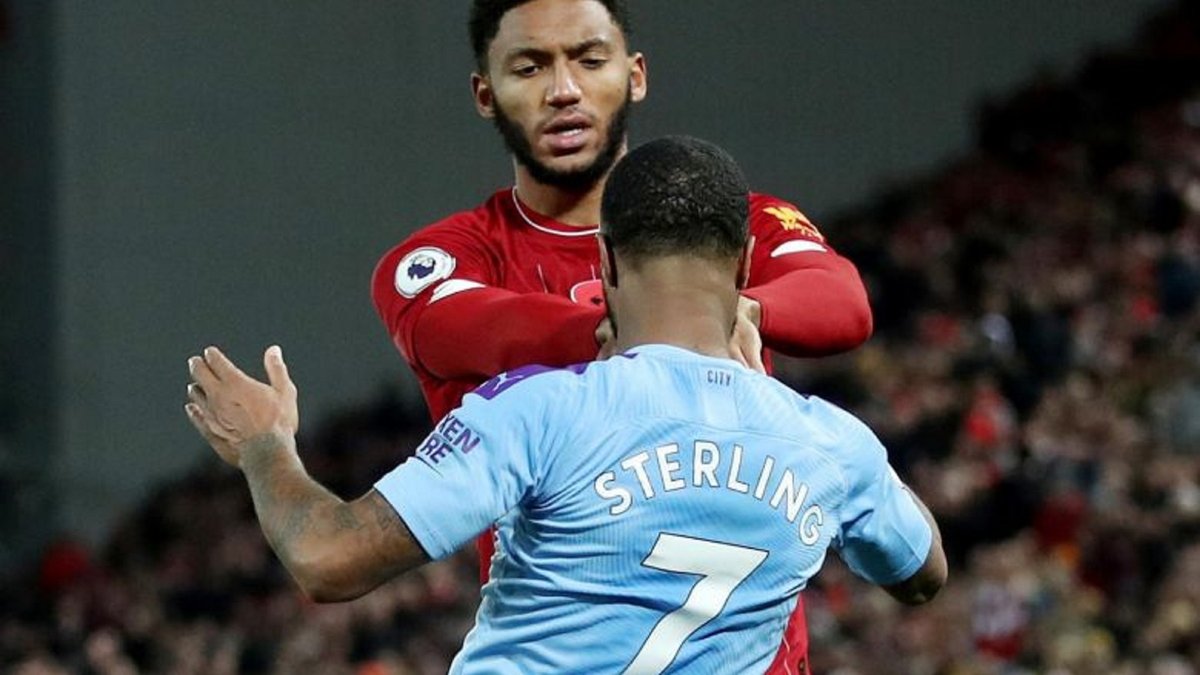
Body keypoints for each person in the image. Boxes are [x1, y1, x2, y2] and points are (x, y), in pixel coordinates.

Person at [186, 136, 945, 674]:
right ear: (746, 265)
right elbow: (922, 572)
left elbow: (328, 559)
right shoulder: (833, 446)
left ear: (606, 260)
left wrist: (264, 444)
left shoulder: (538, 411)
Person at [371, 2, 874, 668]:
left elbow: (843, 302)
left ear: (634, 75)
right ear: (485, 94)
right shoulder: (453, 256)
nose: (563, 90)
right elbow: (463, 327)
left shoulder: (724, 221)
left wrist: (746, 311)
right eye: (529, 67)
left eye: (589, 59)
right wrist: (667, 324)